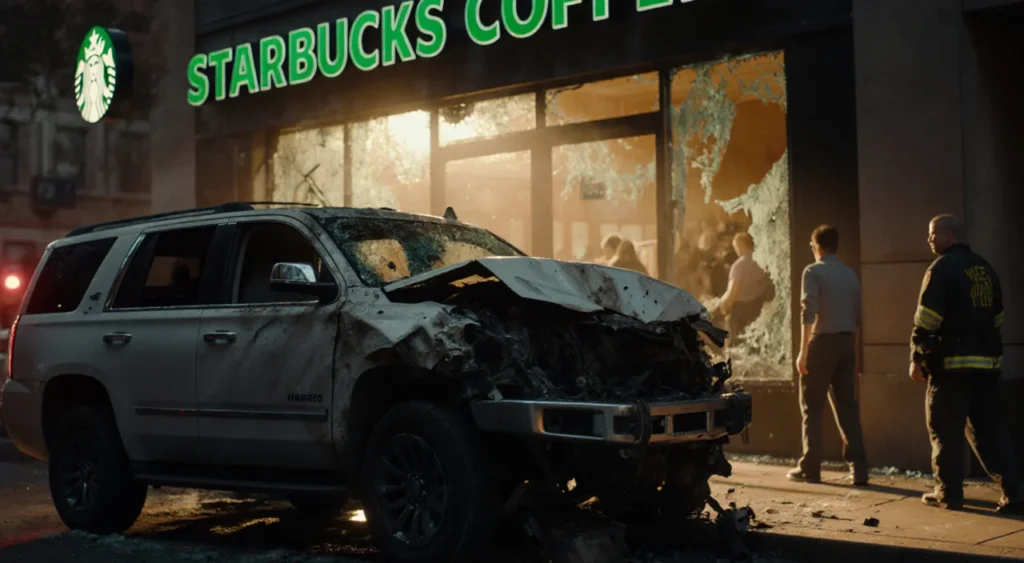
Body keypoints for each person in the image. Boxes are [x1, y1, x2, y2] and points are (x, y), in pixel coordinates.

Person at [909, 214, 1022, 513]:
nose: (929, 239)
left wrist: (917, 357)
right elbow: (998, 317)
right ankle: (1014, 494)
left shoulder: (941, 268)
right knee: (990, 433)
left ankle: (949, 495)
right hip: (986, 368)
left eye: (933, 234)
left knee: (945, 431)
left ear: (948, 235)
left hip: (951, 367)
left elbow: (927, 319)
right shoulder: (985, 268)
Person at [787, 225, 869, 486]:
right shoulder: (850, 275)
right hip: (846, 344)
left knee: (812, 407)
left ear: (816, 247)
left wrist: (803, 352)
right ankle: (859, 469)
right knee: (847, 407)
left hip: (821, 343)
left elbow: (808, 311)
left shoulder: (813, 272)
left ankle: (810, 467)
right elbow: (858, 317)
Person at [713, 232, 772, 339]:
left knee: (737, 343)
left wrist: (720, 306)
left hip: (740, 315)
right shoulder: (762, 262)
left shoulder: (738, 266)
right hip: (759, 311)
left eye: (735, 246)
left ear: (740, 245)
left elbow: (732, 293)